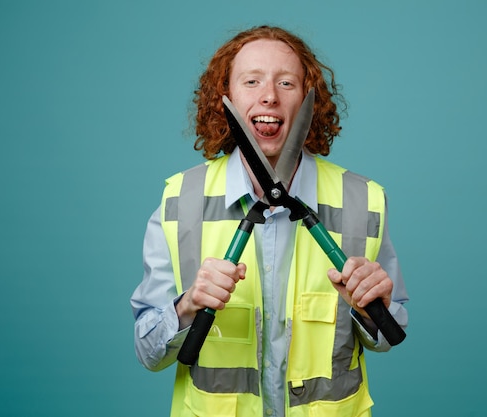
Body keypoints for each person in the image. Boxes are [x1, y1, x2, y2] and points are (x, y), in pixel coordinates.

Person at [130, 25, 409, 417]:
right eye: (252, 81)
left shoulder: (364, 200)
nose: (269, 96)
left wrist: (371, 308)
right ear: (224, 97)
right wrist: (188, 305)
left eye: (286, 82)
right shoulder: (180, 201)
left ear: (308, 100)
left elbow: (389, 332)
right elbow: (148, 352)